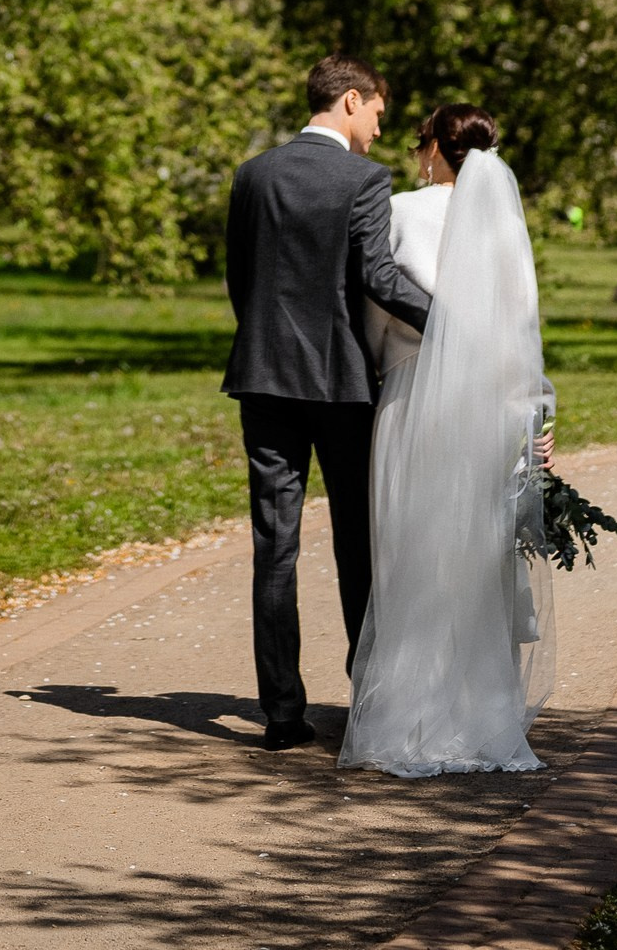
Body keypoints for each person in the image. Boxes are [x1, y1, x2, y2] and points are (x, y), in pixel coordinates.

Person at [222, 55, 433, 750]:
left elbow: (239, 279)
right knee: (355, 544)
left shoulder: (252, 175)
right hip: (340, 385)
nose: (377, 130)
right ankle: (366, 699)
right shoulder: (362, 179)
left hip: (261, 379)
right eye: (376, 114)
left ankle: (281, 714)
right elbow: (376, 276)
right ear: (351, 99)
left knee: (273, 547)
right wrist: (450, 319)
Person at [341, 101, 555, 776]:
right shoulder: (503, 227)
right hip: (491, 406)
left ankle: (407, 711)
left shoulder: (402, 210)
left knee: (410, 548)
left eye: (416, 142)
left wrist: (388, 362)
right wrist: (532, 418)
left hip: (410, 396)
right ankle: (481, 709)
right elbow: (519, 333)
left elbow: (377, 305)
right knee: (479, 556)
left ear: (432, 147)